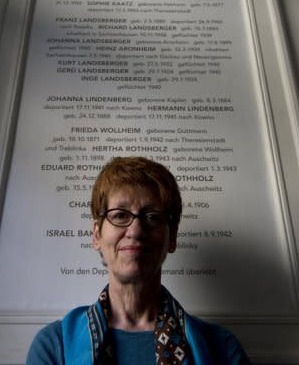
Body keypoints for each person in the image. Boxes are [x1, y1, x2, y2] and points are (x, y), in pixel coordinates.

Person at [26, 156, 250, 364]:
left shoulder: (222, 348)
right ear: (97, 235)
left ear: (172, 238)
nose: (135, 230)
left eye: (152, 217)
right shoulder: (54, 347)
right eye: (120, 215)